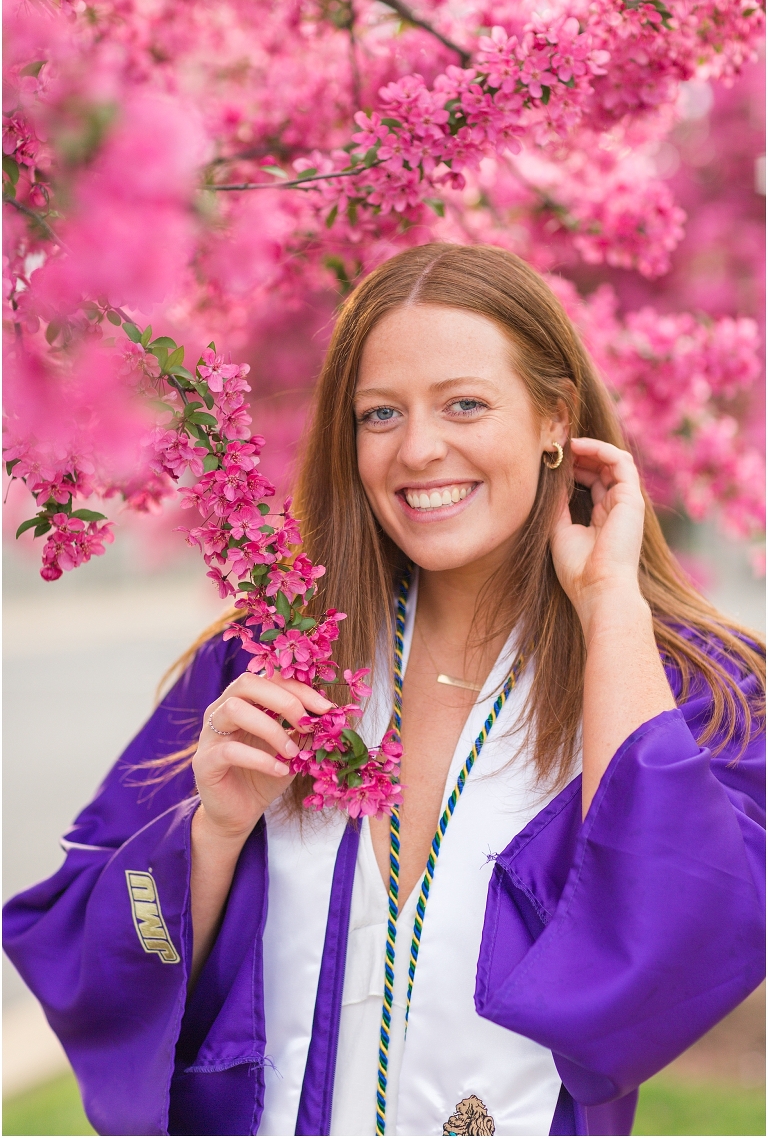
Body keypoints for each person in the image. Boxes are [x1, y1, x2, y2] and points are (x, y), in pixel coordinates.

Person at [4, 244, 765, 1138]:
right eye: (379, 414)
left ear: (556, 418)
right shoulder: (270, 656)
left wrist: (611, 607)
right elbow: (88, 946)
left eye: (466, 404)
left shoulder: (696, 684)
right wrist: (208, 833)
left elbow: (682, 940)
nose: (418, 450)